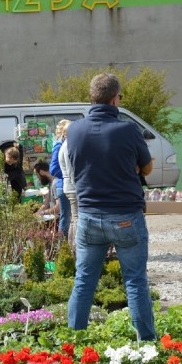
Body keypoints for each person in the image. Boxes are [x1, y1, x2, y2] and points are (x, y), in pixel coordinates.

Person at [65, 73, 156, 341]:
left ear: (92, 97)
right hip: (126, 215)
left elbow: (78, 164)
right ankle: (147, 346)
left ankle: (74, 345)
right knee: (135, 282)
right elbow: (148, 168)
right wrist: (133, 166)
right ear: (115, 99)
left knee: (83, 282)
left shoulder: (74, 130)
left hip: (89, 215)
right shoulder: (127, 129)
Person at [49, 119, 73, 238]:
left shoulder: (63, 144)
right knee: (66, 218)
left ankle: (65, 247)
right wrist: (67, 174)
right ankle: (62, 247)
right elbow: (53, 169)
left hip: (65, 185)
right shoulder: (59, 146)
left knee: (68, 218)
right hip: (63, 186)